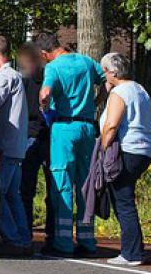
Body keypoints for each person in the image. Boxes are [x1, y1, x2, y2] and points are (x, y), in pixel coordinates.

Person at [36, 32, 105, 256]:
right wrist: (97, 102)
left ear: (45, 53)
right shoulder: (85, 61)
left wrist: (44, 104)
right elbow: (107, 80)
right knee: (85, 184)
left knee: (62, 183)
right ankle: (87, 241)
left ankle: (63, 242)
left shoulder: (53, 67)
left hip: (64, 129)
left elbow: (45, 92)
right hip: (87, 127)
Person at [99, 52, 151, 266]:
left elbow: (112, 124)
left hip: (126, 149)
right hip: (143, 149)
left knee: (122, 200)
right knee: (125, 198)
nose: (104, 75)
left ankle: (131, 253)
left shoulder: (120, 93)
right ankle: (136, 247)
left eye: (105, 71)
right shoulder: (140, 89)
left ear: (113, 72)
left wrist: (103, 149)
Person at [0, 36, 32, 255]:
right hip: (16, 145)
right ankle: (24, 238)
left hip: (5, 146)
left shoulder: (5, 76)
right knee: (13, 196)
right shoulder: (16, 76)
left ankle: (13, 239)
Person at [17, 42, 54, 249]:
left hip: (32, 136)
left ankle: (26, 234)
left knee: (26, 190)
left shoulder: (24, 81)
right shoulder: (51, 77)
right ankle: (51, 234)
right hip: (48, 135)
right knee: (52, 189)